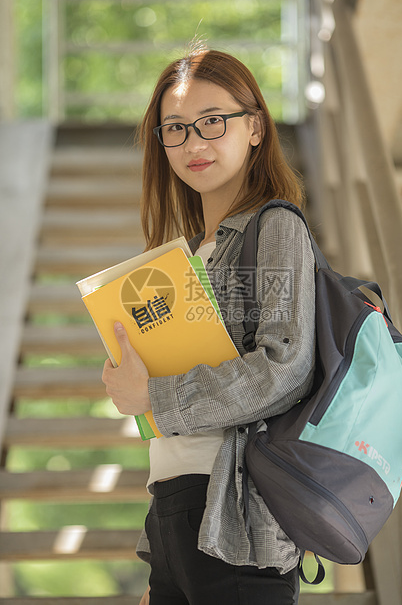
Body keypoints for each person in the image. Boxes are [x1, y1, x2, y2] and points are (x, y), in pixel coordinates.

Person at [102, 47, 316, 605]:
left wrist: (153, 393)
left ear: (254, 129)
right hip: (176, 508)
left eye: (213, 122)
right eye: (175, 129)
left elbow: (285, 368)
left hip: (239, 516)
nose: (194, 143)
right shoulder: (189, 254)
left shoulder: (276, 225)